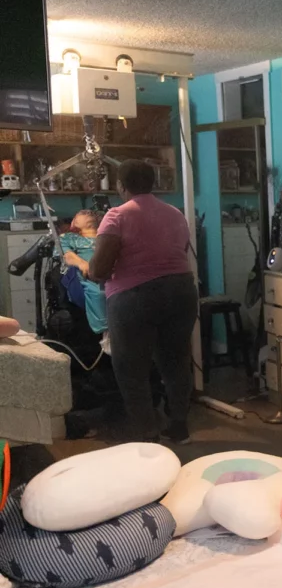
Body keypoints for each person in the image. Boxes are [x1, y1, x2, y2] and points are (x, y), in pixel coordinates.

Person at [89, 160, 197, 444]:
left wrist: (82, 265)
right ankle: (178, 427)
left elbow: (99, 269)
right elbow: (179, 251)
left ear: (120, 186)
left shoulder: (117, 216)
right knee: (176, 362)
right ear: (153, 183)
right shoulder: (176, 214)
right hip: (181, 292)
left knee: (131, 369)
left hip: (135, 298)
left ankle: (148, 437)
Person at [60, 209, 109, 343]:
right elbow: (67, 255)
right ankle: (106, 333)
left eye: (80, 215)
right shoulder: (70, 238)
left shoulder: (106, 237)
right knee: (98, 293)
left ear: (90, 222)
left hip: (109, 271)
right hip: (87, 275)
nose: (75, 216)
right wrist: (82, 264)